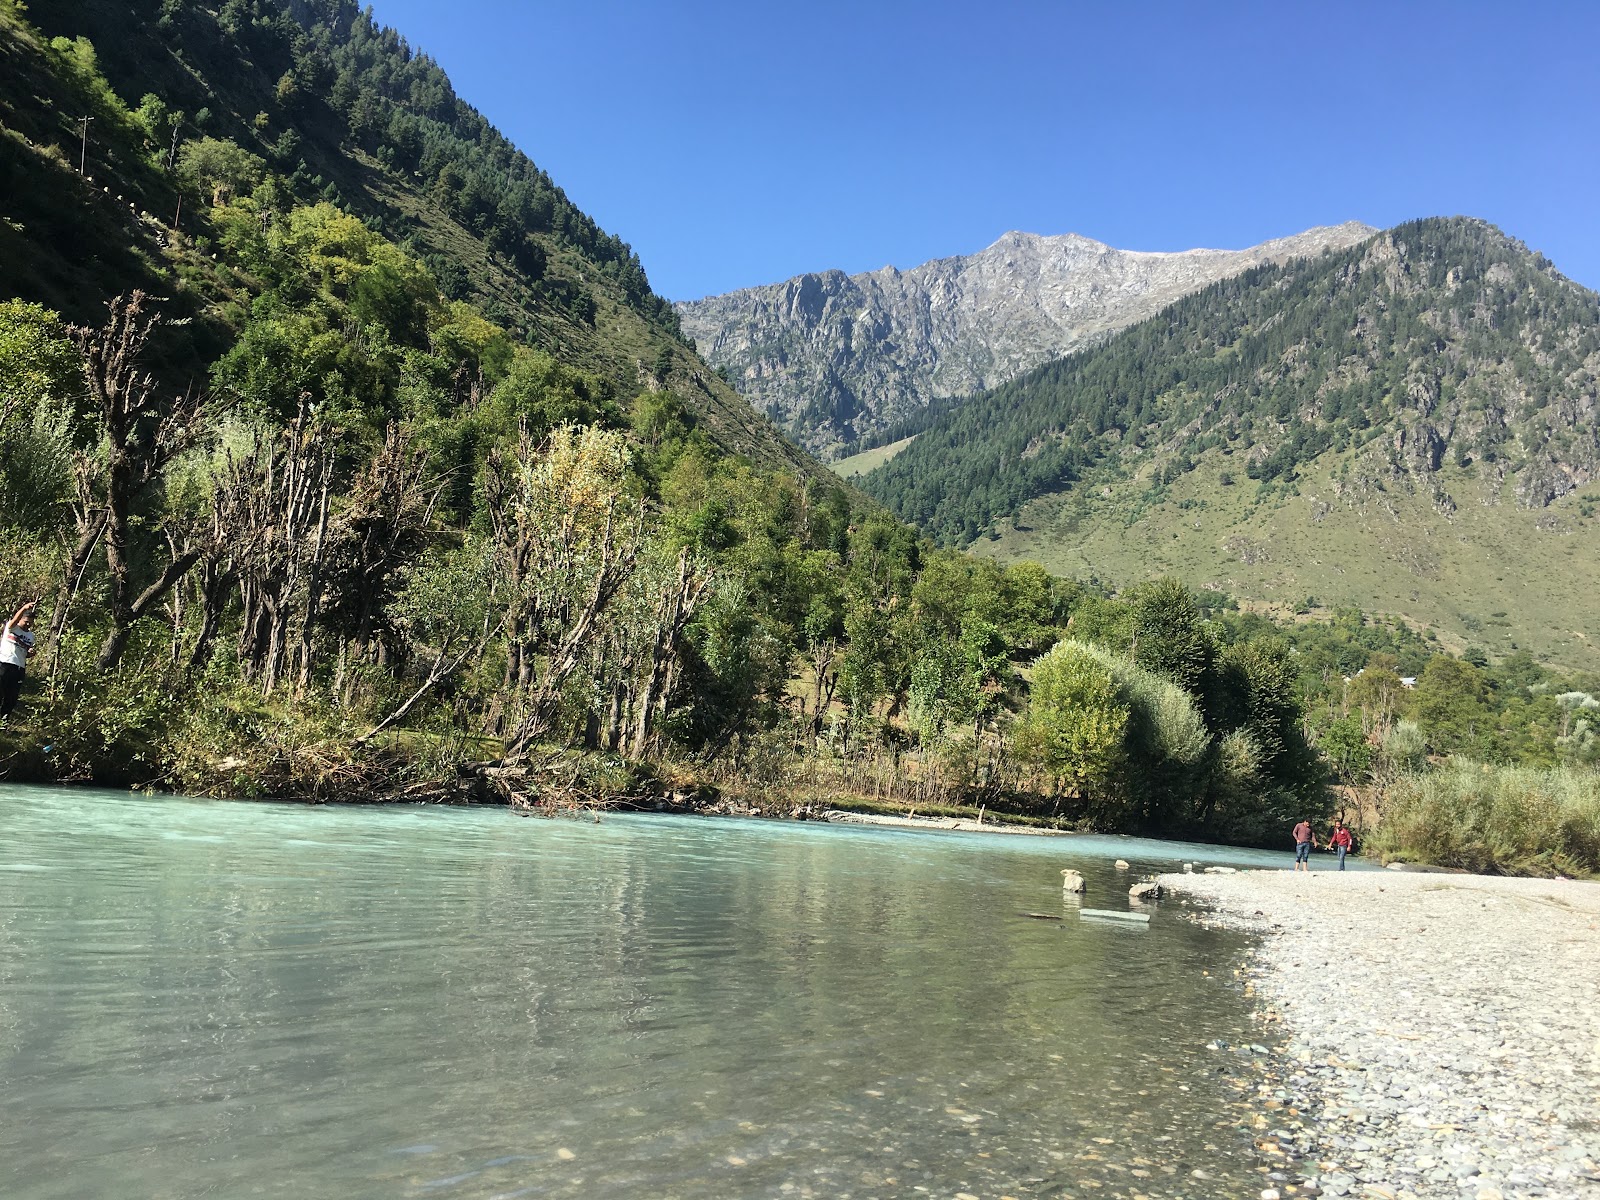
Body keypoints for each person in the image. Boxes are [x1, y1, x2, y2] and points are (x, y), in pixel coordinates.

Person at [0, 600, 39, 721]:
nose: (28, 625)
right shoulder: (12, 628)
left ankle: (3, 723)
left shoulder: (31, 636)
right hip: (5, 665)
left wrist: (30, 654)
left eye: (31, 623)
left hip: (19, 669)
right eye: (26, 622)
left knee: (11, 698)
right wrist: (24, 608)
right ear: (21, 619)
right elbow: (14, 620)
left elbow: (24, 653)